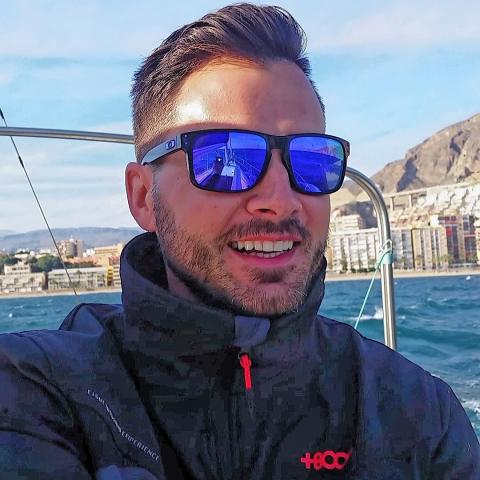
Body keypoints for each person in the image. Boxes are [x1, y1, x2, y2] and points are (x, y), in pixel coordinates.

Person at [0, 3, 479, 479]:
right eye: (225, 161)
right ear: (144, 197)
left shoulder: (418, 414)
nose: (280, 200)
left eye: (311, 161)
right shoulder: (36, 394)